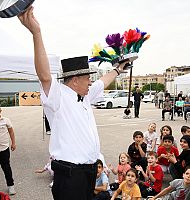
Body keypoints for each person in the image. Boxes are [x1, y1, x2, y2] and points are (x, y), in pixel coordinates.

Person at [18, 7, 130, 199]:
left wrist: (118, 70)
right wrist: (36, 33)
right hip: (70, 175)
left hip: (89, 171)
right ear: (75, 79)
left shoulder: (85, 95)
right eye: (88, 78)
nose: (91, 82)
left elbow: (103, 82)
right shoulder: (58, 96)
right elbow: (44, 75)